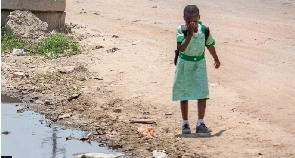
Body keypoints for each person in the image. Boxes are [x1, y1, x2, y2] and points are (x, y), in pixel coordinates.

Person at [172, 5, 220, 134]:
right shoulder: (181, 30)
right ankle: (185, 124)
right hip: (184, 64)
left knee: (202, 93)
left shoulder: (205, 30)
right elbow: (181, 48)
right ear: (184, 19)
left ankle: (200, 123)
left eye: (195, 21)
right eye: (189, 22)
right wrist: (190, 33)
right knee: (184, 93)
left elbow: (210, 45)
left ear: (199, 18)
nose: (192, 24)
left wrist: (216, 58)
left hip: (199, 65)